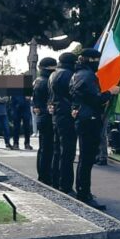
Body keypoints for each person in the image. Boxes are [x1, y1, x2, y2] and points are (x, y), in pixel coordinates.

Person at [70, 47, 118, 210]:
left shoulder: (77, 74)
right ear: (90, 60)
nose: (98, 63)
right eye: (97, 60)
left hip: (84, 117)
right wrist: (110, 92)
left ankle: (84, 191)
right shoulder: (88, 76)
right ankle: (84, 194)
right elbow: (95, 98)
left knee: (85, 158)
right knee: (87, 158)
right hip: (89, 119)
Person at [50, 51, 79, 195]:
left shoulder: (54, 74)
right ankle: (65, 185)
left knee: (57, 150)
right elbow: (73, 93)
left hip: (57, 113)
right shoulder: (69, 75)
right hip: (67, 114)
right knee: (68, 152)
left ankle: (56, 181)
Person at [31, 57, 57, 184]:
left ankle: (42, 174)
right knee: (48, 148)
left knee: (43, 148)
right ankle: (46, 176)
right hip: (47, 116)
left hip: (41, 115)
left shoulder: (37, 81)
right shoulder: (48, 82)